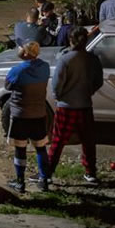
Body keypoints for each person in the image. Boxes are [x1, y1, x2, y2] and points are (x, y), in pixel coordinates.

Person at [47, 27, 105, 184]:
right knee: (88, 141)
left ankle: (47, 173)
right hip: (85, 105)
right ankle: (90, 172)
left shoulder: (65, 59)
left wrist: (59, 97)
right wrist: (89, 92)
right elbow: (99, 81)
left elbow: (57, 85)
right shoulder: (93, 59)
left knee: (58, 141)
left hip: (66, 106)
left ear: (70, 40)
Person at [5, 40, 52, 193]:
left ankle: (20, 182)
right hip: (39, 113)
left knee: (20, 149)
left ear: (25, 53)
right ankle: (44, 180)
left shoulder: (16, 71)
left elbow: (8, 86)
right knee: (40, 147)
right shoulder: (45, 67)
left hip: (20, 115)